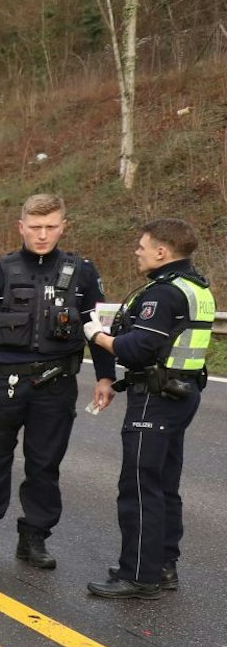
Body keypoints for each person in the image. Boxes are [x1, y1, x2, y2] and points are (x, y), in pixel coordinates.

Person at [0, 194, 117, 568]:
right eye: (35, 227)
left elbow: (97, 329)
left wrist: (106, 376)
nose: (42, 235)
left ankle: (34, 539)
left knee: (45, 465)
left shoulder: (83, 272)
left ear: (63, 227)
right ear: (21, 227)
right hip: (3, 384)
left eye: (50, 227)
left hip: (57, 385)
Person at [82, 217, 213, 599]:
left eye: (143, 246)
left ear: (162, 251)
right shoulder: (195, 285)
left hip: (155, 400)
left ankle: (138, 574)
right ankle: (163, 565)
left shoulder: (162, 293)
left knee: (139, 486)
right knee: (164, 484)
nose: (137, 251)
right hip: (180, 393)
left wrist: (97, 334)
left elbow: (137, 348)